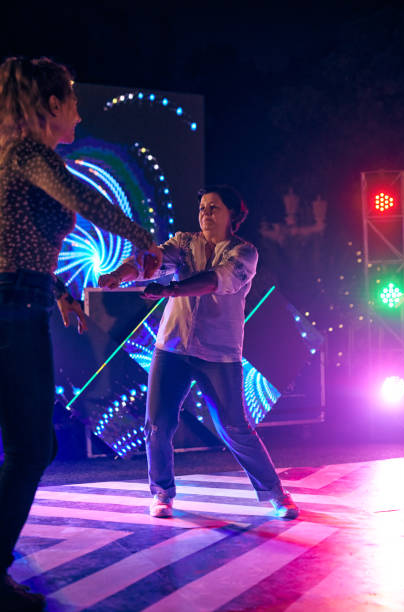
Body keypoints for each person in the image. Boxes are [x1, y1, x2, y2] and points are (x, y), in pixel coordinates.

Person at [0, 56, 161, 611]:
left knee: (27, 446)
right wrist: (143, 238)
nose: (78, 108)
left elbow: (19, 241)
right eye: (70, 98)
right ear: (50, 106)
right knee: (30, 447)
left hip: (22, 301)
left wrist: (61, 294)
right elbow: (81, 198)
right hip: (12, 309)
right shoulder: (26, 153)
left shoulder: (11, 159)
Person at [99, 185, 299, 521]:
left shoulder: (244, 253)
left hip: (220, 353)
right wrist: (121, 274)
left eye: (214, 208)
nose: (206, 213)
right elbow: (153, 260)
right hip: (173, 347)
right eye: (203, 207)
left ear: (232, 215)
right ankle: (162, 492)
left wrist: (171, 290)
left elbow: (214, 280)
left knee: (235, 427)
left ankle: (276, 493)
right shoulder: (183, 243)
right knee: (157, 425)